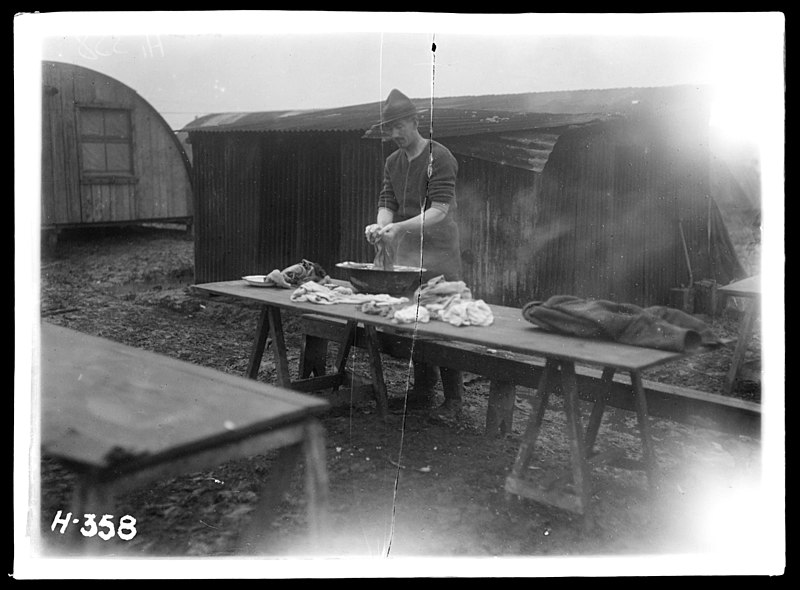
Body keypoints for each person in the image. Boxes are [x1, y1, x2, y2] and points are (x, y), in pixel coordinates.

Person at [364, 88, 464, 416]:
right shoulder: (392, 161)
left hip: (440, 254)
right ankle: (422, 390)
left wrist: (398, 229)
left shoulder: (440, 157)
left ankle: (453, 400)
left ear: (415, 122)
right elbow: (386, 202)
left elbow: (439, 210)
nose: (394, 135)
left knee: (443, 322)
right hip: (408, 255)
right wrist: (380, 226)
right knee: (414, 319)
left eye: (399, 127)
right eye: (389, 129)